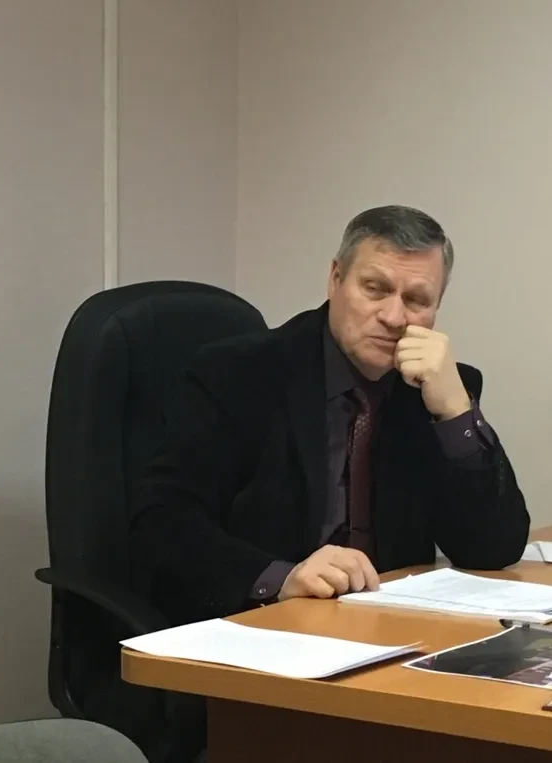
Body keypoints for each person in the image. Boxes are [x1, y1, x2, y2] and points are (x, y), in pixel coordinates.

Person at [130, 204, 529, 626]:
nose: (394, 317)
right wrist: (281, 578)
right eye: (375, 288)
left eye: (416, 300)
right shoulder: (238, 373)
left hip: (391, 628)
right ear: (336, 279)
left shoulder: (432, 389)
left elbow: (492, 549)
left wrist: (455, 413)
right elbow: (162, 520)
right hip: (261, 626)